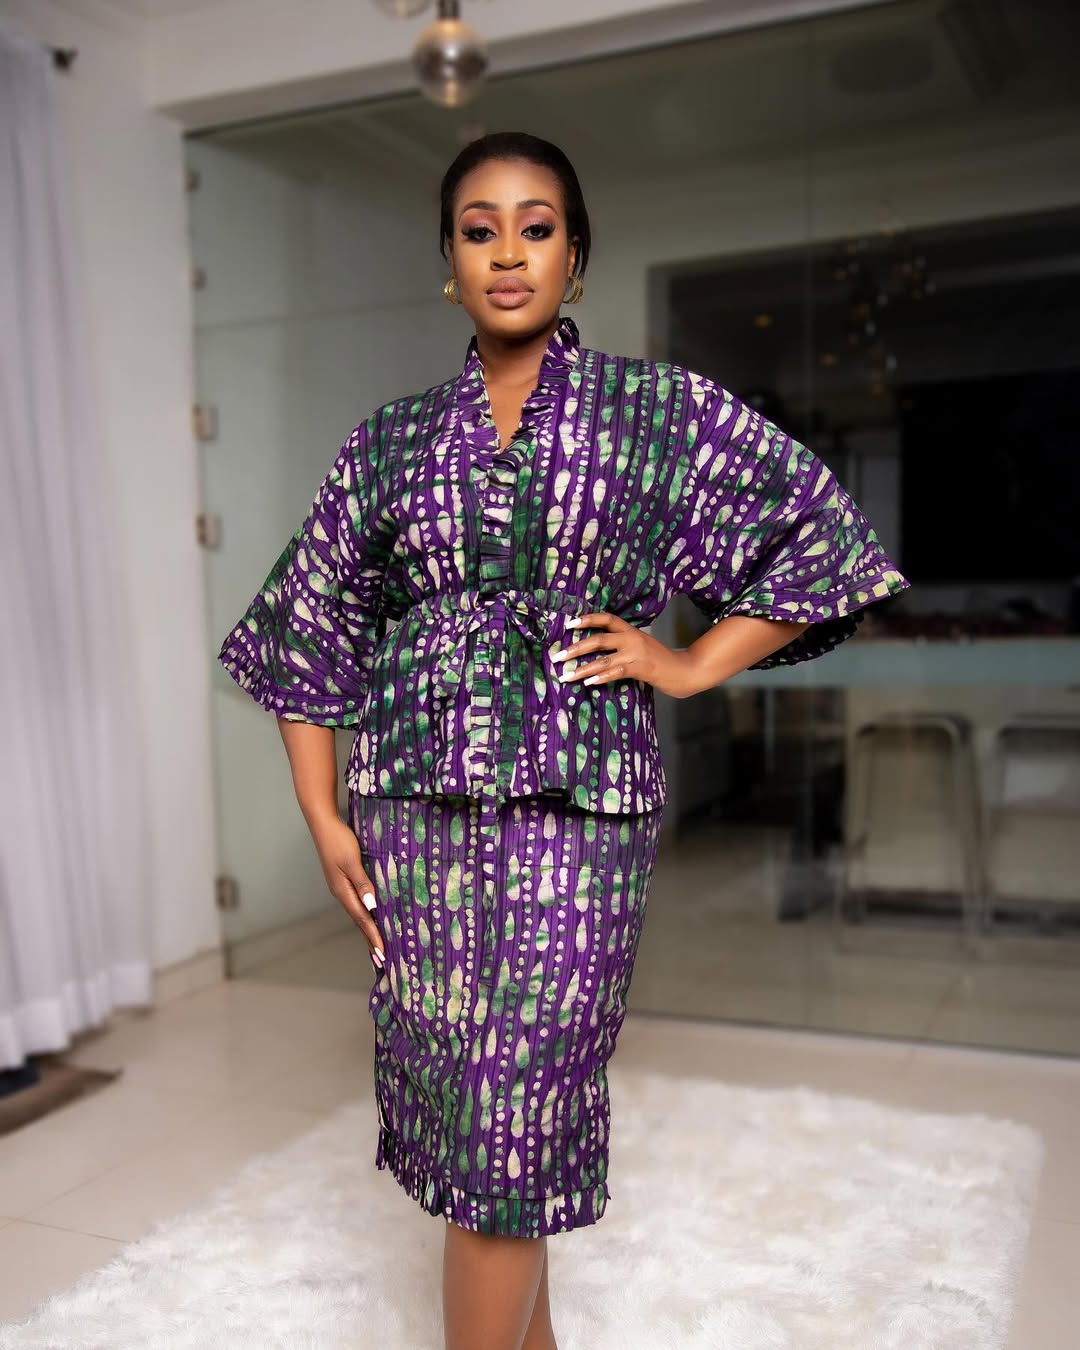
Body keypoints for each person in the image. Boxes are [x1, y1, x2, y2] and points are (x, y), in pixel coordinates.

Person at [217, 131, 910, 1350]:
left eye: (535, 228)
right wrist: (322, 814)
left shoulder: (656, 414)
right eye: (479, 230)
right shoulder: (390, 443)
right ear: (449, 262)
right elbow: (307, 626)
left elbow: (820, 540)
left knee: (514, 1118)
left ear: (573, 255)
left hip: (577, 820)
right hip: (415, 822)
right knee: (472, 1126)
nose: (508, 253)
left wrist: (688, 661)